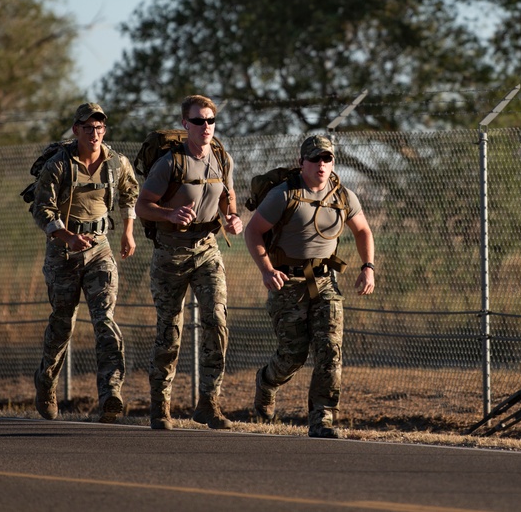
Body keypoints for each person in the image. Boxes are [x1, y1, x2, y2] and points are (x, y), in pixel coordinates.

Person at [243, 134, 375, 439]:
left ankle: (322, 419)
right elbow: (253, 232)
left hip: (325, 282)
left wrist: (367, 267)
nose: (321, 164)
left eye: (327, 158)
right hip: (287, 283)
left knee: (330, 350)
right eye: (314, 158)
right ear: (301, 162)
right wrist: (266, 270)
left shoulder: (343, 196)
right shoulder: (284, 194)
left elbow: (363, 230)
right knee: (293, 356)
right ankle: (266, 381)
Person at [135, 94, 244, 430]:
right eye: (199, 121)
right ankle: (160, 406)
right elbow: (142, 206)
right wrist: (170, 213)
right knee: (170, 331)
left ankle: (208, 403)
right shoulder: (170, 162)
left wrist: (232, 217)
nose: (206, 127)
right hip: (171, 251)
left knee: (217, 319)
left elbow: (228, 195)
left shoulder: (221, 157)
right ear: (186, 125)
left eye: (210, 121)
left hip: (207, 248)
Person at [31, 102, 139, 423]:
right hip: (63, 252)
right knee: (63, 323)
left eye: (100, 127)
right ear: (76, 130)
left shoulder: (115, 162)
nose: (95, 133)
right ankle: (47, 381)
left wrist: (128, 232)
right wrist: (67, 237)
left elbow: (130, 192)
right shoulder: (59, 166)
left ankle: (110, 394)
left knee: (104, 319)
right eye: (88, 127)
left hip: (100, 250)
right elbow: (42, 210)